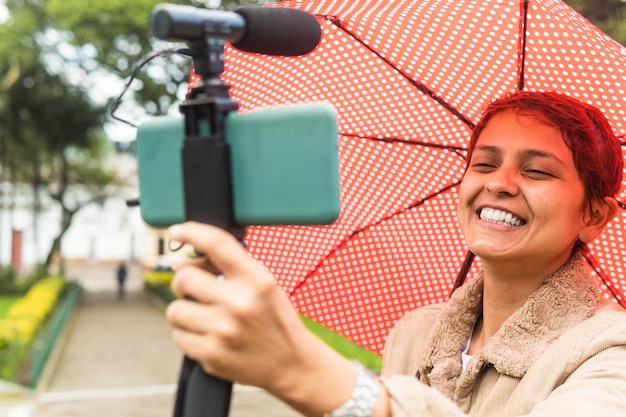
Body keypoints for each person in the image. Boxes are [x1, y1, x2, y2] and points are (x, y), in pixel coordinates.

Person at [164, 91, 626, 417]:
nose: (499, 183)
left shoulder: (610, 351)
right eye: (483, 163)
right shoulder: (414, 333)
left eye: (537, 171)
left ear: (594, 215)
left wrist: (306, 371)